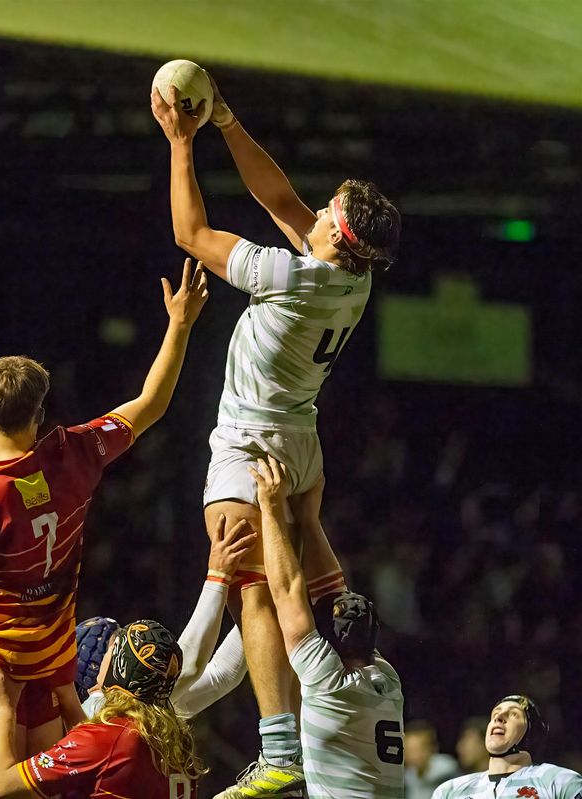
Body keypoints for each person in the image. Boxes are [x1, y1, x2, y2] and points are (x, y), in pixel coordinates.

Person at [151, 68, 401, 795]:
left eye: (329, 209)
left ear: (337, 235)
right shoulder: (353, 279)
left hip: (251, 443)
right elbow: (281, 199)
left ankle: (282, 747)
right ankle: (295, 730)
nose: (316, 209)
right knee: (280, 594)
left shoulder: (289, 279)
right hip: (299, 441)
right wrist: (228, 119)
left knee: (253, 595)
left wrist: (181, 142)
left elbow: (189, 232)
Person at [0, 259, 210, 769]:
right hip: (49, 670)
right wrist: (180, 323)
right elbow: (152, 402)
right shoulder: (77, 454)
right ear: (40, 410)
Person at [249, 456, 405, 798]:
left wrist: (272, 507)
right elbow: (327, 590)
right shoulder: (381, 680)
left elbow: (289, 590)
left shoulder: (339, 682)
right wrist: (308, 520)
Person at [0, 619, 204, 798]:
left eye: (112, 649)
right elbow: (102, 762)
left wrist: (3, 707)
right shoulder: (176, 744)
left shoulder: (111, 737)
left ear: (120, 667)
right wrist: (67, 694)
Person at [76, 514, 257, 719]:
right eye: (117, 643)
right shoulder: (97, 712)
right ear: (95, 671)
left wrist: (259, 603)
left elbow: (221, 674)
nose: (130, 645)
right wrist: (218, 577)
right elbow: (189, 667)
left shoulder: (133, 706)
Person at [431, 696, 582, 799]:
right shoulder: (449, 791)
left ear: (532, 731)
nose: (499, 718)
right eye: (495, 714)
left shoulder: (560, 781)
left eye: (513, 714)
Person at [404, 721, 460, 799]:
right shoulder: (409, 774)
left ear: (432, 748)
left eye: (418, 749)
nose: (414, 756)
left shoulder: (447, 770)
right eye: (409, 750)